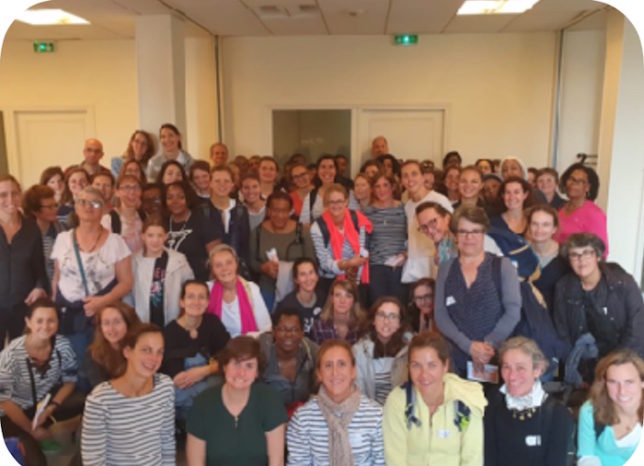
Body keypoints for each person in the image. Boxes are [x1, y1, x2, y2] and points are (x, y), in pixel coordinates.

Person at [51, 186, 133, 379]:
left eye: (95, 203)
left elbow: (127, 281)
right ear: (76, 207)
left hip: (102, 317)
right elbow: (57, 277)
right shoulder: (63, 239)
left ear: (104, 209)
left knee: (103, 368)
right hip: (70, 316)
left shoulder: (115, 242)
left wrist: (103, 301)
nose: (88, 207)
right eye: (83, 202)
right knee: (76, 370)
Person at [434, 206, 521, 376]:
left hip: (493, 356)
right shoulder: (445, 268)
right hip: (454, 358)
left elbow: (513, 312)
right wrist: (468, 346)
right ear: (455, 235)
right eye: (463, 231)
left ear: (484, 233)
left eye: (475, 231)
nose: (469, 237)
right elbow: (440, 315)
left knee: (489, 401)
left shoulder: (502, 266)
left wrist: (487, 345)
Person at [0, 298, 84, 466]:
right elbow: (5, 402)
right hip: (11, 416)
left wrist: (51, 407)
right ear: (28, 322)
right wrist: (31, 430)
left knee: (88, 399)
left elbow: (70, 382)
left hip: (41, 407)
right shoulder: (10, 355)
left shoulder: (63, 346)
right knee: (37, 462)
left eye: (51, 320)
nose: (45, 326)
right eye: (39, 321)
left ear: (57, 323)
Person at [383, 331, 486, 466]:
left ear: (445, 366)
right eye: (416, 365)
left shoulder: (467, 400)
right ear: (408, 368)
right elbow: (395, 459)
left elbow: (472, 459)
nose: (424, 375)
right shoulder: (398, 401)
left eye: (432, 365)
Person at [554, 233, 644, 383]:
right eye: (574, 255)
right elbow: (561, 331)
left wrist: (613, 366)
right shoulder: (563, 287)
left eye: (587, 253)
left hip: (625, 357)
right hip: (584, 362)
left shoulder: (623, 283)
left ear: (598, 256)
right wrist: (575, 365)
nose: (581, 260)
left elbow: (637, 329)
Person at [82, 323, 175, 466]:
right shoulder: (100, 400)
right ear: (127, 352)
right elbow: (94, 460)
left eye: (159, 352)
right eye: (146, 350)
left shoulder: (165, 386)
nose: (154, 358)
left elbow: (167, 442)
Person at [186, 335, 287, 466]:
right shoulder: (203, 403)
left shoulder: (270, 401)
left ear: (257, 372)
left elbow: (276, 462)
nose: (241, 373)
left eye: (249, 366)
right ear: (224, 366)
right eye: (236, 364)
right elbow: (195, 463)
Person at [287, 339, 385, 465]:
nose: (335, 372)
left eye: (342, 364)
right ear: (319, 373)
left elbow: (381, 463)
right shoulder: (303, 418)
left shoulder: (376, 415)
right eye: (328, 365)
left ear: (353, 371)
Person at [484, 337, 575, 466]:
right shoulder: (492, 402)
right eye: (506, 367)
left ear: (537, 370)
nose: (512, 376)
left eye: (520, 368)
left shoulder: (558, 414)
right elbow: (488, 458)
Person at [162, 280, 230, 421]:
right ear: (181, 302)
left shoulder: (212, 322)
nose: (196, 302)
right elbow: (177, 378)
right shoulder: (169, 332)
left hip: (211, 381)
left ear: (207, 302)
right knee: (174, 394)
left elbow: (230, 356)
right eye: (191, 296)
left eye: (201, 297)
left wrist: (205, 370)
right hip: (184, 388)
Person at [0, 175, 49, 343]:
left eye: (14, 193)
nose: (10, 199)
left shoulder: (31, 228)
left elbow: (39, 269)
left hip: (23, 306)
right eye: (3, 195)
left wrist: (39, 287)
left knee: (21, 357)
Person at [577, 350, 644, 466]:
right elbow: (587, 457)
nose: (622, 391)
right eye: (613, 382)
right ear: (604, 383)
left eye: (629, 382)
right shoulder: (590, 411)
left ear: (642, 382)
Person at [249, 192, 315, 310]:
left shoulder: (302, 232)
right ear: (268, 211)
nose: (280, 215)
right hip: (268, 288)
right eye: (275, 210)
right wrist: (263, 267)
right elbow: (251, 261)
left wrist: (289, 270)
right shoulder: (258, 232)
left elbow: (311, 261)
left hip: (297, 289)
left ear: (290, 211)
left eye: (285, 211)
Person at [310, 184, 372, 297]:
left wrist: (354, 272)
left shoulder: (357, 218)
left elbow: (361, 249)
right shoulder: (318, 227)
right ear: (326, 204)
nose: (336, 205)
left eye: (339, 201)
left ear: (346, 202)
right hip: (330, 280)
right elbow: (324, 263)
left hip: (356, 277)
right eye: (331, 202)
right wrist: (346, 265)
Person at [131, 217, 194, 326]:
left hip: (173, 320)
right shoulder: (134, 261)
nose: (155, 240)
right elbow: (128, 295)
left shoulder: (179, 260)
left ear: (166, 236)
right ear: (143, 237)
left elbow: (190, 287)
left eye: (159, 235)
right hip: (143, 322)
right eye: (150, 235)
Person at [400, 160, 452, 283]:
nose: (410, 179)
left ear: (423, 177)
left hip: (435, 264)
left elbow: (451, 229)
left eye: (414, 174)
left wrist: (443, 255)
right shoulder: (408, 206)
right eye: (405, 176)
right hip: (415, 268)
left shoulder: (439, 199)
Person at [353, 297, 410, 405]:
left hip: (400, 412)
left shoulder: (410, 350)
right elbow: (358, 391)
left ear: (400, 323)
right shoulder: (359, 351)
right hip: (369, 413)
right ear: (374, 320)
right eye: (381, 315)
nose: (386, 321)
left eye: (392, 316)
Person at [259, 308, 318, 410]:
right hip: (269, 416)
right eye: (282, 329)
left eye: (295, 330)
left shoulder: (309, 351)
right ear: (273, 331)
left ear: (302, 333)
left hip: (304, 416)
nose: (289, 335)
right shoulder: (262, 353)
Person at [206, 244, 271, 337]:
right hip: (216, 349)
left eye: (229, 262)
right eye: (218, 265)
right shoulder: (207, 289)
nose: (225, 269)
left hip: (246, 346)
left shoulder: (251, 289)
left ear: (236, 264)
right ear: (212, 270)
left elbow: (266, 329)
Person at [163, 180, 221, 282]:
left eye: (181, 197)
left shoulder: (203, 222)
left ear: (188, 198)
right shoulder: (163, 223)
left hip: (199, 283)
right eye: (170, 198)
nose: (175, 202)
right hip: (169, 284)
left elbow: (216, 258)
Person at [415, 201, 502, 268]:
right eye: (424, 227)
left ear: (447, 218)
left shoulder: (472, 239)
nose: (429, 230)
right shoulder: (443, 245)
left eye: (433, 222)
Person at [364, 173, 407, 304]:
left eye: (385, 185)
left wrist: (406, 254)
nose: (381, 190)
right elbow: (365, 241)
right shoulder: (368, 212)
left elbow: (411, 235)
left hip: (399, 265)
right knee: (377, 305)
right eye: (377, 186)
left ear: (393, 187)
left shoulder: (403, 209)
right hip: (376, 266)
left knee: (399, 305)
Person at [207, 166, 251, 277]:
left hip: (237, 272)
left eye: (226, 181)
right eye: (217, 181)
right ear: (210, 183)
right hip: (210, 272)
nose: (222, 184)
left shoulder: (241, 210)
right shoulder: (202, 210)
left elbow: (245, 244)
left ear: (232, 184)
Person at [556, 162, 609, 256]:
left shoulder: (594, 213)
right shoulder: (562, 209)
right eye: (571, 179)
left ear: (588, 187)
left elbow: (602, 251)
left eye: (580, 181)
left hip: (579, 266)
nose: (573, 184)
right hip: (557, 262)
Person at [85, 301, 141, 388]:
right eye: (106, 323)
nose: (111, 329)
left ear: (129, 324)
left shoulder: (142, 349)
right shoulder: (93, 354)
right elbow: (100, 389)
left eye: (117, 322)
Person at [526, 205, 570, 310]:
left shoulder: (566, 255)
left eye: (545, 225)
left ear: (554, 229)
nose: (539, 229)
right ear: (528, 226)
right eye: (535, 224)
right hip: (528, 316)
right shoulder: (520, 253)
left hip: (557, 316)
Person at [22, 184, 65, 283]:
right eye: (50, 207)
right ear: (35, 210)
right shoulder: (26, 235)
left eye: (55, 205)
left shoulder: (63, 229)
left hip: (61, 287)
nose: (55, 209)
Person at [275, 258, 326, 337]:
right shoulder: (286, 305)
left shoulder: (325, 299)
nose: (308, 278)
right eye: (303, 274)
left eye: (311, 273)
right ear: (296, 279)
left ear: (317, 276)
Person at [301, 155, 358, 225]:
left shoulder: (348, 193)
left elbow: (357, 219)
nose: (327, 171)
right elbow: (304, 223)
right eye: (323, 167)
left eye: (331, 167)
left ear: (336, 171)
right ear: (318, 171)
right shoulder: (311, 196)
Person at [311, 279, 366, 345]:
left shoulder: (363, 326)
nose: (342, 301)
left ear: (354, 301)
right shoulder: (319, 326)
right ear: (332, 299)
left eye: (348, 296)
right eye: (338, 295)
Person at [104, 174, 144, 254]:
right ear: (117, 192)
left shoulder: (144, 217)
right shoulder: (109, 220)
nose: (132, 192)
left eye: (136, 187)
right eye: (127, 188)